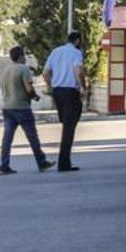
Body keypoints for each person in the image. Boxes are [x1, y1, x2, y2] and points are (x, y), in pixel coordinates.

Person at [0, 46, 54, 175]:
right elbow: (28, 88)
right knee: (32, 137)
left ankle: (4, 164)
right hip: (22, 107)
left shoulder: (5, 71)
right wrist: (35, 97)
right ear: (20, 57)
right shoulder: (24, 69)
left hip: (7, 107)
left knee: (7, 138)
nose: (25, 58)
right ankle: (41, 162)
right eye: (24, 55)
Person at [43, 31, 86, 172]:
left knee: (66, 125)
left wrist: (51, 85)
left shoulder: (56, 52)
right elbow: (78, 70)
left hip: (58, 92)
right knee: (69, 128)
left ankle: (64, 161)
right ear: (78, 40)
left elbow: (46, 73)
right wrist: (83, 87)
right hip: (70, 92)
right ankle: (64, 163)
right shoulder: (75, 53)